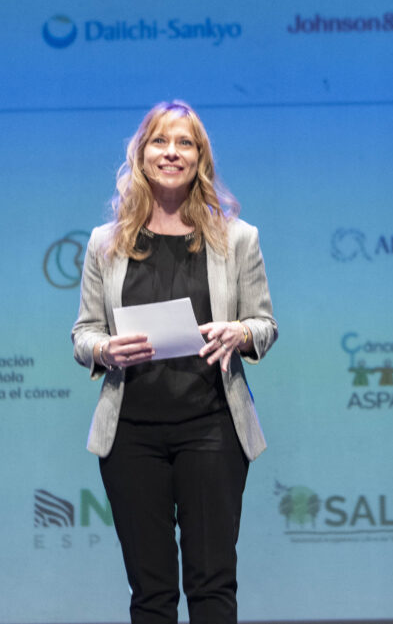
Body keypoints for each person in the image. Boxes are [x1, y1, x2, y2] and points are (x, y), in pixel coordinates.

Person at [71, 100, 277, 623]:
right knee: (151, 592)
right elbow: (84, 334)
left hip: (212, 427)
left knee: (212, 586)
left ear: (200, 158)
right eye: (160, 141)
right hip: (131, 435)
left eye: (185, 143)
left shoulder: (238, 238)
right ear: (141, 155)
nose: (171, 152)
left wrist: (239, 332)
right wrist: (104, 349)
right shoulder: (105, 243)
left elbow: (264, 325)